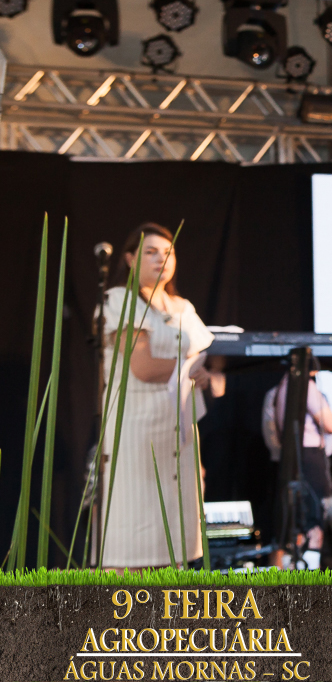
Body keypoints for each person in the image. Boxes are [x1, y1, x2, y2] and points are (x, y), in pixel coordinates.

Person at [98, 223, 213, 569]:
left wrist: (202, 374)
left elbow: (202, 361)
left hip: (177, 432)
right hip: (136, 432)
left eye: (168, 252)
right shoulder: (119, 300)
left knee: (177, 544)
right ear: (130, 259)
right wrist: (189, 367)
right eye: (151, 252)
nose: (161, 259)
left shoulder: (183, 307)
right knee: (133, 540)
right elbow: (144, 367)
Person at [262, 365, 332, 569]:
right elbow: (330, 425)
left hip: (285, 459)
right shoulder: (307, 387)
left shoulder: (275, 391)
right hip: (310, 457)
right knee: (314, 518)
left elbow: (270, 431)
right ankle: (311, 572)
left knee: (292, 518)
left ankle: (289, 571)